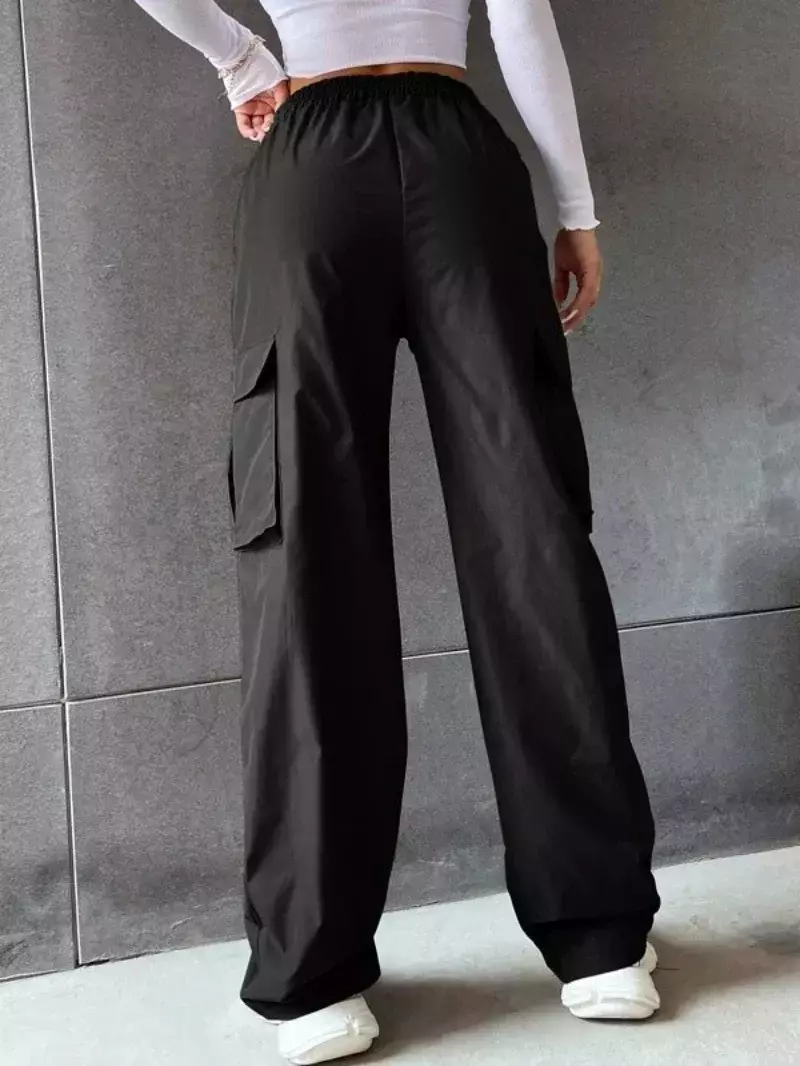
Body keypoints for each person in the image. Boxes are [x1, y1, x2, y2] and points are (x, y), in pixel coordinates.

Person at [131, 2, 662, 1063]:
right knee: (531, 531)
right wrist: (575, 209)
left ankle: (311, 973)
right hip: (457, 156)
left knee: (304, 546)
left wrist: (240, 58)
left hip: (310, 164)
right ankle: (600, 940)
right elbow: (521, 21)